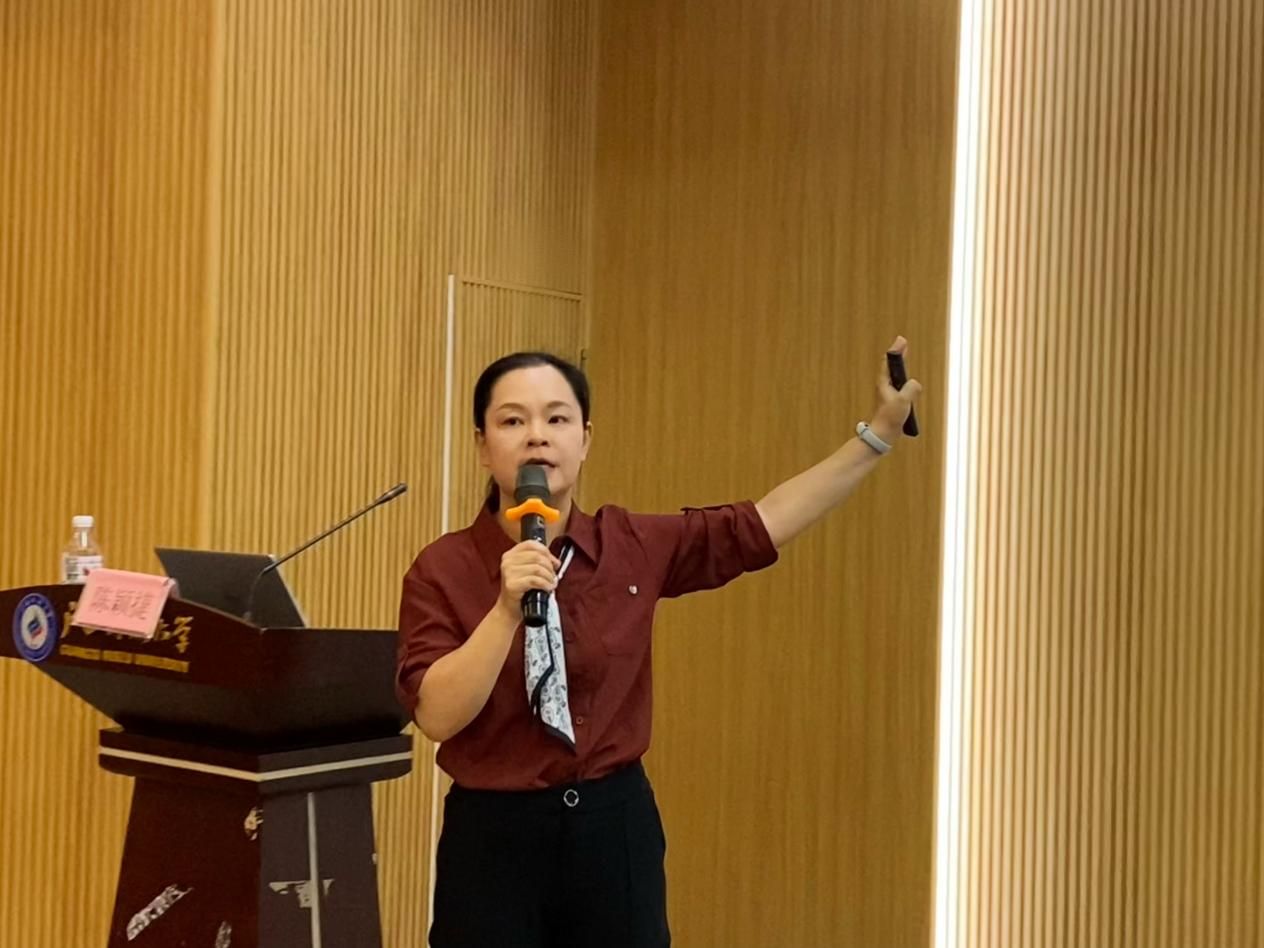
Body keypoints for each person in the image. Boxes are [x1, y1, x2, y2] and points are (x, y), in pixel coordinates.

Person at [396, 340, 922, 948]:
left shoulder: (631, 544)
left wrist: (876, 437)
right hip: (493, 839)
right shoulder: (443, 568)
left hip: (613, 829)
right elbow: (437, 715)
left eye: (557, 418)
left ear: (585, 440)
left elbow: (763, 522)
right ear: (483, 447)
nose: (537, 436)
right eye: (513, 421)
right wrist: (504, 611)